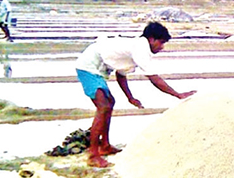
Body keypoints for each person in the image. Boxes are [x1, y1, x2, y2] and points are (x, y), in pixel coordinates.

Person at [75, 22, 196, 167]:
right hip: (88, 66)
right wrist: (178, 94)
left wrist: (130, 97)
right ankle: (93, 154)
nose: (162, 47)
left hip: (98, 69)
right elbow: (153, 77)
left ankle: (105, 146)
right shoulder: (141, 47)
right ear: (151, 39)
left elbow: (121, 74)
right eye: (161, 42)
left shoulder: (136, 46)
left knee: (109, 104)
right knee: (103, 106)